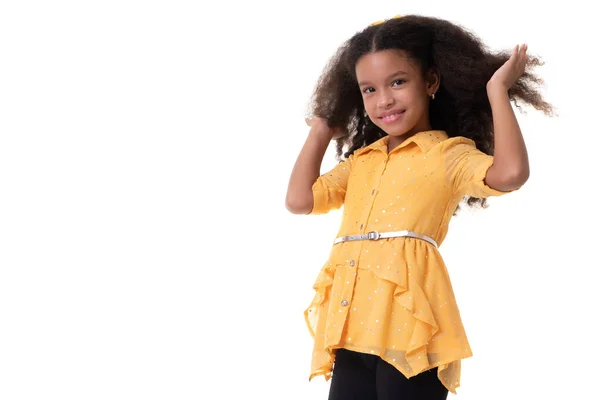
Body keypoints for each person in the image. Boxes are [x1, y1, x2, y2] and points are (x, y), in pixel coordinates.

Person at [285, 13, 554, 400]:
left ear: (430, 81)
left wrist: (497, 91)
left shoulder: (447, 153)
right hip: (351, 323)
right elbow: (300, 200)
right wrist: (321, 131)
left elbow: (509, 174)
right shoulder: (364, 160)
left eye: (397, 82)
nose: (384, 100)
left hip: (410, 327)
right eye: (369, 90)